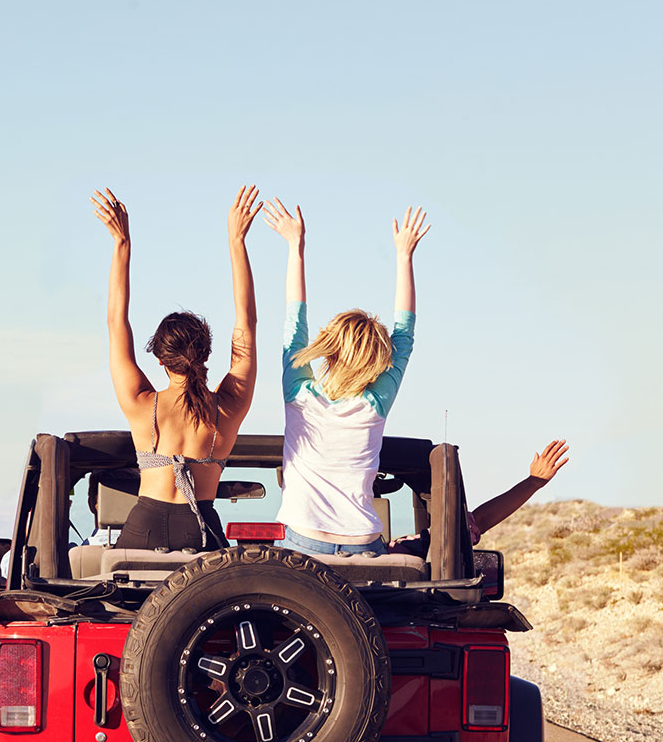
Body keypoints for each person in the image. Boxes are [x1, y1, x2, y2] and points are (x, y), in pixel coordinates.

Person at [92, 184, 262, 551]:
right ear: (206, 354)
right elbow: (246, 323)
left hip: (143, 527)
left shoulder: (140, 403)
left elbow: (115, 321)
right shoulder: (227, 407)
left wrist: (122, 244)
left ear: (159, 360)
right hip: (201, 529)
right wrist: (237, 241)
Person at [263, 198, 429, 556]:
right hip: (364, 545)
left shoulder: (299, 394)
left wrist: (296, 248)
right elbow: (405, 334)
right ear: (376, 360)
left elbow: (294, 326)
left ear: (330, 346)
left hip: (303, 542)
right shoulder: (375, 403)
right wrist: (404, 257)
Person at [391, 439, 571, 556]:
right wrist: (532, 483)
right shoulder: (404, 552)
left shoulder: (399, 550)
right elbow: (473, 525)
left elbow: (473, 525)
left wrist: (533, 483)